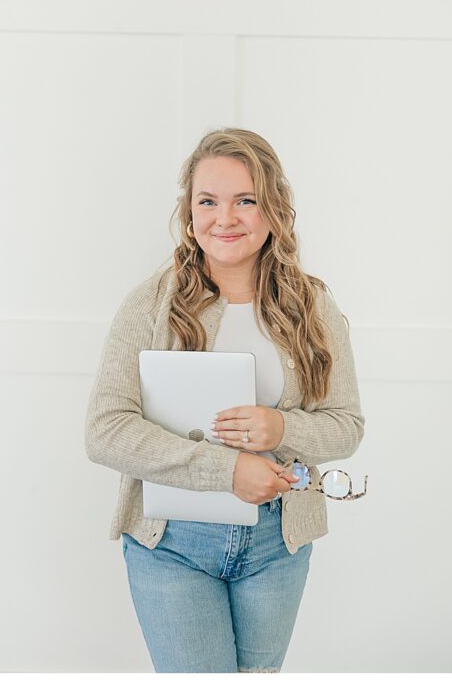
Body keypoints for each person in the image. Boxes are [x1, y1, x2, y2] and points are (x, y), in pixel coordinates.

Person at [84, 128, 364, 671]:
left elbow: (347, 425)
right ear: (189, 216)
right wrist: (228, 469)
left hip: (276, 545)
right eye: (208, 201)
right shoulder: (149, 305)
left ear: (273, 209)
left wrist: (283, 430)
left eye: (246, 200)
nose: (225, 218)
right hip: (171, 545)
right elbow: (105, 429)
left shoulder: (314, 307)